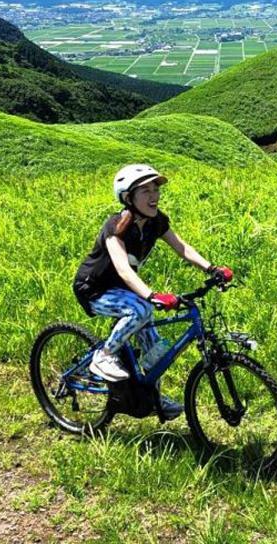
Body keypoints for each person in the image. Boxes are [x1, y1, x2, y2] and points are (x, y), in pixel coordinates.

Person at [73, 163, 232, 418]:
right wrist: (151, 295)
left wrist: (211, 268)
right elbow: (124, 270)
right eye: (145, 190)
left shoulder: (156, 222)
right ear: (128, 198)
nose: (154, 195)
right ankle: (103, 356)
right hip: (94, 289)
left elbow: (182, 247)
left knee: (156, 353)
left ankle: (154, 399)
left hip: (125, 290)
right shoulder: (115, 226)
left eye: (155, 189)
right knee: (141, 308)